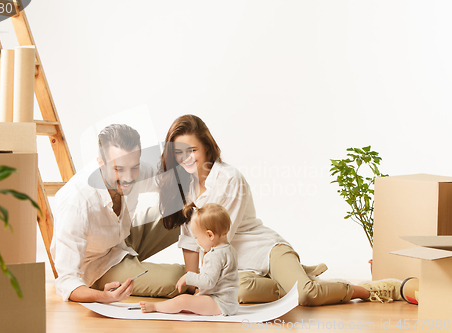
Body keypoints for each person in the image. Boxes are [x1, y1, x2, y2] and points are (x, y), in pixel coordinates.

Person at [157, 114, 402, 306]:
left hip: (265, 252)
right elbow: (190, 241)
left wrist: (203, 288)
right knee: (239, 293)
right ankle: (297, 276)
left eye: (193, 150)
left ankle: (367, 290)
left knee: (306, 295)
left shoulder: (230, 179)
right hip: (241, 269)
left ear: (207, 149)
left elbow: (221, 241)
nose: (186, 158)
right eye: (178, 153)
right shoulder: (183, 188)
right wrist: (192, 286)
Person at [50, 124, 185, 303]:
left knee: (186, 210)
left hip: (121, 240)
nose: (128, 178)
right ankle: (217, 279)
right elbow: (66, 280)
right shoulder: (77, 200)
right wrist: (102, 296)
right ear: (100, 163)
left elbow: (165, 180)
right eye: (119, 169)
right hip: (98, 265)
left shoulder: (129, 166)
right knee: (175, 280)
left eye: (134, 167)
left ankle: (217, 262)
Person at [140, 203, 239, 316]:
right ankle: (169, 306)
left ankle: (155, 306)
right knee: (188, 304)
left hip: (219, 303)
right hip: (228, 303)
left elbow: (209, 282)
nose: (197, 242)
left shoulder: (215, 255)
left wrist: (188, 277)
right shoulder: (229, 249)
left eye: (197, 238)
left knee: (183, 301)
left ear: (210, 235)